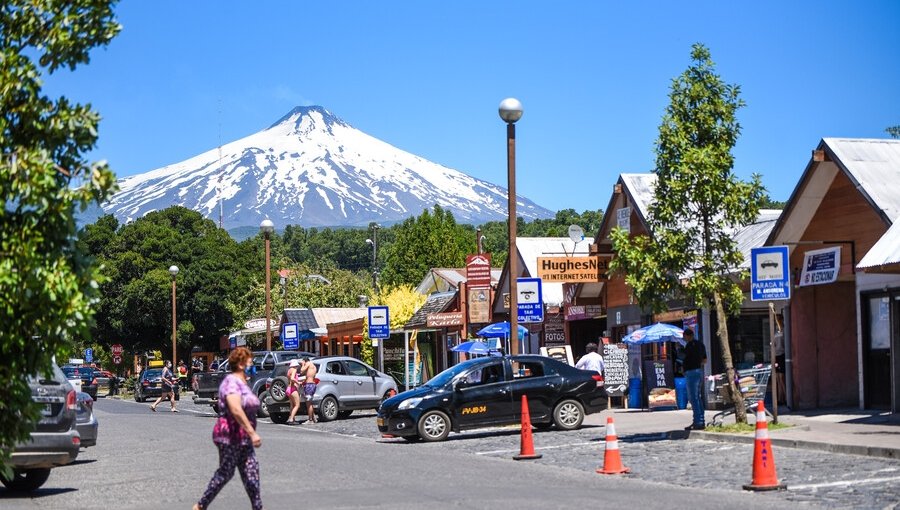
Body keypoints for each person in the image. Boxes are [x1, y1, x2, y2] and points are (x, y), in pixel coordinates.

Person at [194, 347, 262, 510]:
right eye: (250, 362)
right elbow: (235, 408)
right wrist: (252, 432)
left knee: (251, 472)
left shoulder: (243, 382)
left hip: (243, 438)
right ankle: (201, 506)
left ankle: (258, 507)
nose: (252, 365)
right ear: (240, 364)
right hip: (229, 435)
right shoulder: (231, 381)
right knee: (226, 472)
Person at [682, 329, 707, 430]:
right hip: (698, 371)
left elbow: (684, 358)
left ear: (688, 336)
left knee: (693, 397)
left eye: (685, 336)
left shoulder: (689, 346)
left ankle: (698, 422)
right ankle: (701, 420)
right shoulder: (701, 345)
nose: (684, 338)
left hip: (691, 372)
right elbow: (704, 360)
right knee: (698, 397)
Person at [299, 357, 318, 424]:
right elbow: (310, 376)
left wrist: (303, 364)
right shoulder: (314, 366)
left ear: (305, 360)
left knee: (308, 403)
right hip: (312, 384)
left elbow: (301, 371)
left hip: (309, 385)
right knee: (310, 402)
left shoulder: (308, 364)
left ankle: (310, 420)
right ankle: (313, 418)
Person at [286, 359, 303, 424]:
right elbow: (292, 378)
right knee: (297, 405)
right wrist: (298, 382)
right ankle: (291, 419)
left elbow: (290, 378)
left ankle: (292, 419)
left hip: (288, 388)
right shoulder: (294, 370)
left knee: (292, 405)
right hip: (293, 389)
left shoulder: (289, 370)